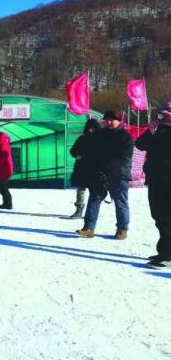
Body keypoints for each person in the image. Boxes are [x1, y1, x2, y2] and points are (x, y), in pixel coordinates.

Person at [76, 109, 133, 239]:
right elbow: (93, 150)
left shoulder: (125, 137)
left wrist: (109, 168)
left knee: (120, 202)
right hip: (100, 174)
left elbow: (124, 157)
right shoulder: (100, 134)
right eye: (106, 120)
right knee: (94, 198)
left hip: (119, 174)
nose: (108, 122)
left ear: (119, 121)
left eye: (111, 120)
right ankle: (88, 228)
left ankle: (122, 230)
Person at [135, 102, 171, 269]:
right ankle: (164, 251)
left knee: (167, 218)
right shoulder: (158, 130)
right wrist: (150, 132)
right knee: (159, 217)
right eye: (162, 111)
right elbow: (140, 145)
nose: (164, 114)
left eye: (168, 112)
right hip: (155, 180)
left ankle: (168, 255)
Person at [66, 118, 102, 219]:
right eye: (89, 128)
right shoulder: (82, 138)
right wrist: (76, 155)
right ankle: (79, 211)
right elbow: (72, 150)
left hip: (94, 170)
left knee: (94, 192)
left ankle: (91, 213)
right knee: (80, 190)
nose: (90, 130)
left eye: (93, 128)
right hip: (81, 169)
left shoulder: (100, 140)